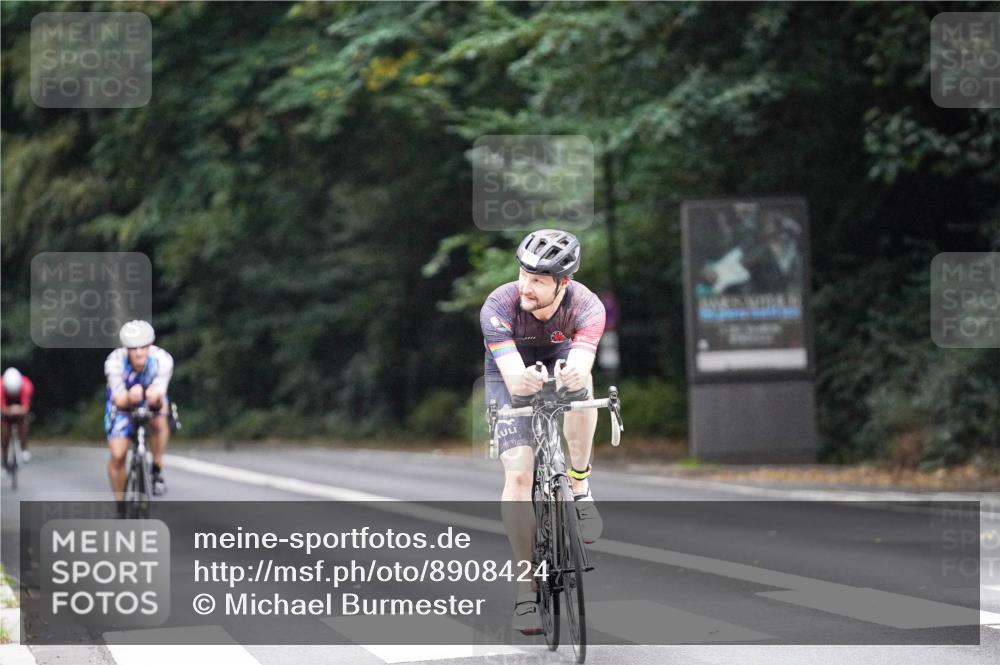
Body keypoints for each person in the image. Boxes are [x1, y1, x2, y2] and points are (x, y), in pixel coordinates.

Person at [480, 229, 606, 634]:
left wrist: (573, 373)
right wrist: (524, 384)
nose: (525, 286)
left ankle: (581, 485)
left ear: (563, 283)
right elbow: (515, 380)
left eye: (537, 280)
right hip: (510, 370)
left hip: (561, 352)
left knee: (582, 391)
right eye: (523, 274)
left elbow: (584, 360)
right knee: (518, 474)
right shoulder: (498, 306)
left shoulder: (587, 306)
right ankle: (524, 593)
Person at [104, 320, 174, 507]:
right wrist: (129, 398)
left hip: (151, 397)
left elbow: (160, 395)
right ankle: (120, 504)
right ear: (126, 348)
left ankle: (156, 468)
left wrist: (154, 397)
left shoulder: (162, 360)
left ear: (150, 346)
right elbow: (118, 400)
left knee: (160, 418)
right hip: (122, 402)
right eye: (133, 348)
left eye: (143, 347)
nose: (139, 352)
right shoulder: (114, 362)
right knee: (118, 455)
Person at [1, 367, 34, 465]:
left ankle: (24, 447)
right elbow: (1, 407)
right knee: (4, 429)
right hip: (6, 407)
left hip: (20, 407)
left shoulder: (27, 386)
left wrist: (19, 410)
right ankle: (5, 454)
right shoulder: (0, 388)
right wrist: (9, 411)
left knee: (24, 422)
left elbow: (25, 408)